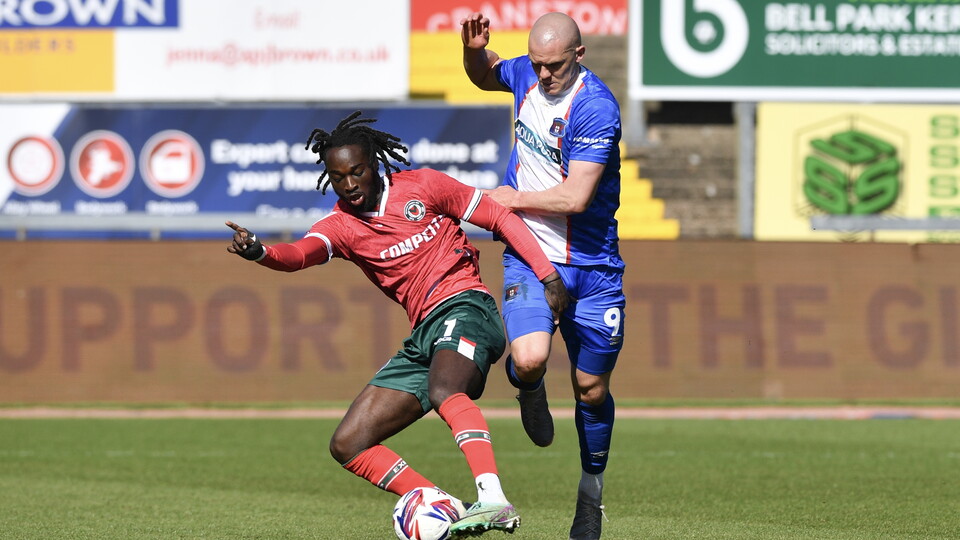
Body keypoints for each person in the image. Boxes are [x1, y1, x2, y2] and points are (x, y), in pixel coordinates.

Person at [225, 111, 570, 537]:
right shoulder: (342, 226)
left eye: (357, 171)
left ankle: (493, 499)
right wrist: (261, 252)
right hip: (424, 333)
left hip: (467, 307)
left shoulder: (424, 186)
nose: (349, 184)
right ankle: (448, 507)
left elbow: (499, 218)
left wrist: (548, 276)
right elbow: (299, 255)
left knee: (446, 389)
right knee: (348, 444)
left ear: (375, 162)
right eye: (338, 177)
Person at [460, 12, 626, 540]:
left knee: (591, 388)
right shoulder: (527, 75)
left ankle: (590, 496)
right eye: (536, 65)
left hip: (594, 267)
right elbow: (487, 74)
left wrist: (513, 199)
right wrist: (474, 51)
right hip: (531, 255)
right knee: (529, 360)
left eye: (554, 66)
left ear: (578, 56)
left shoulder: (596, 108)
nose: (544, 75)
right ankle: (528, 389)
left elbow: (576, 197)